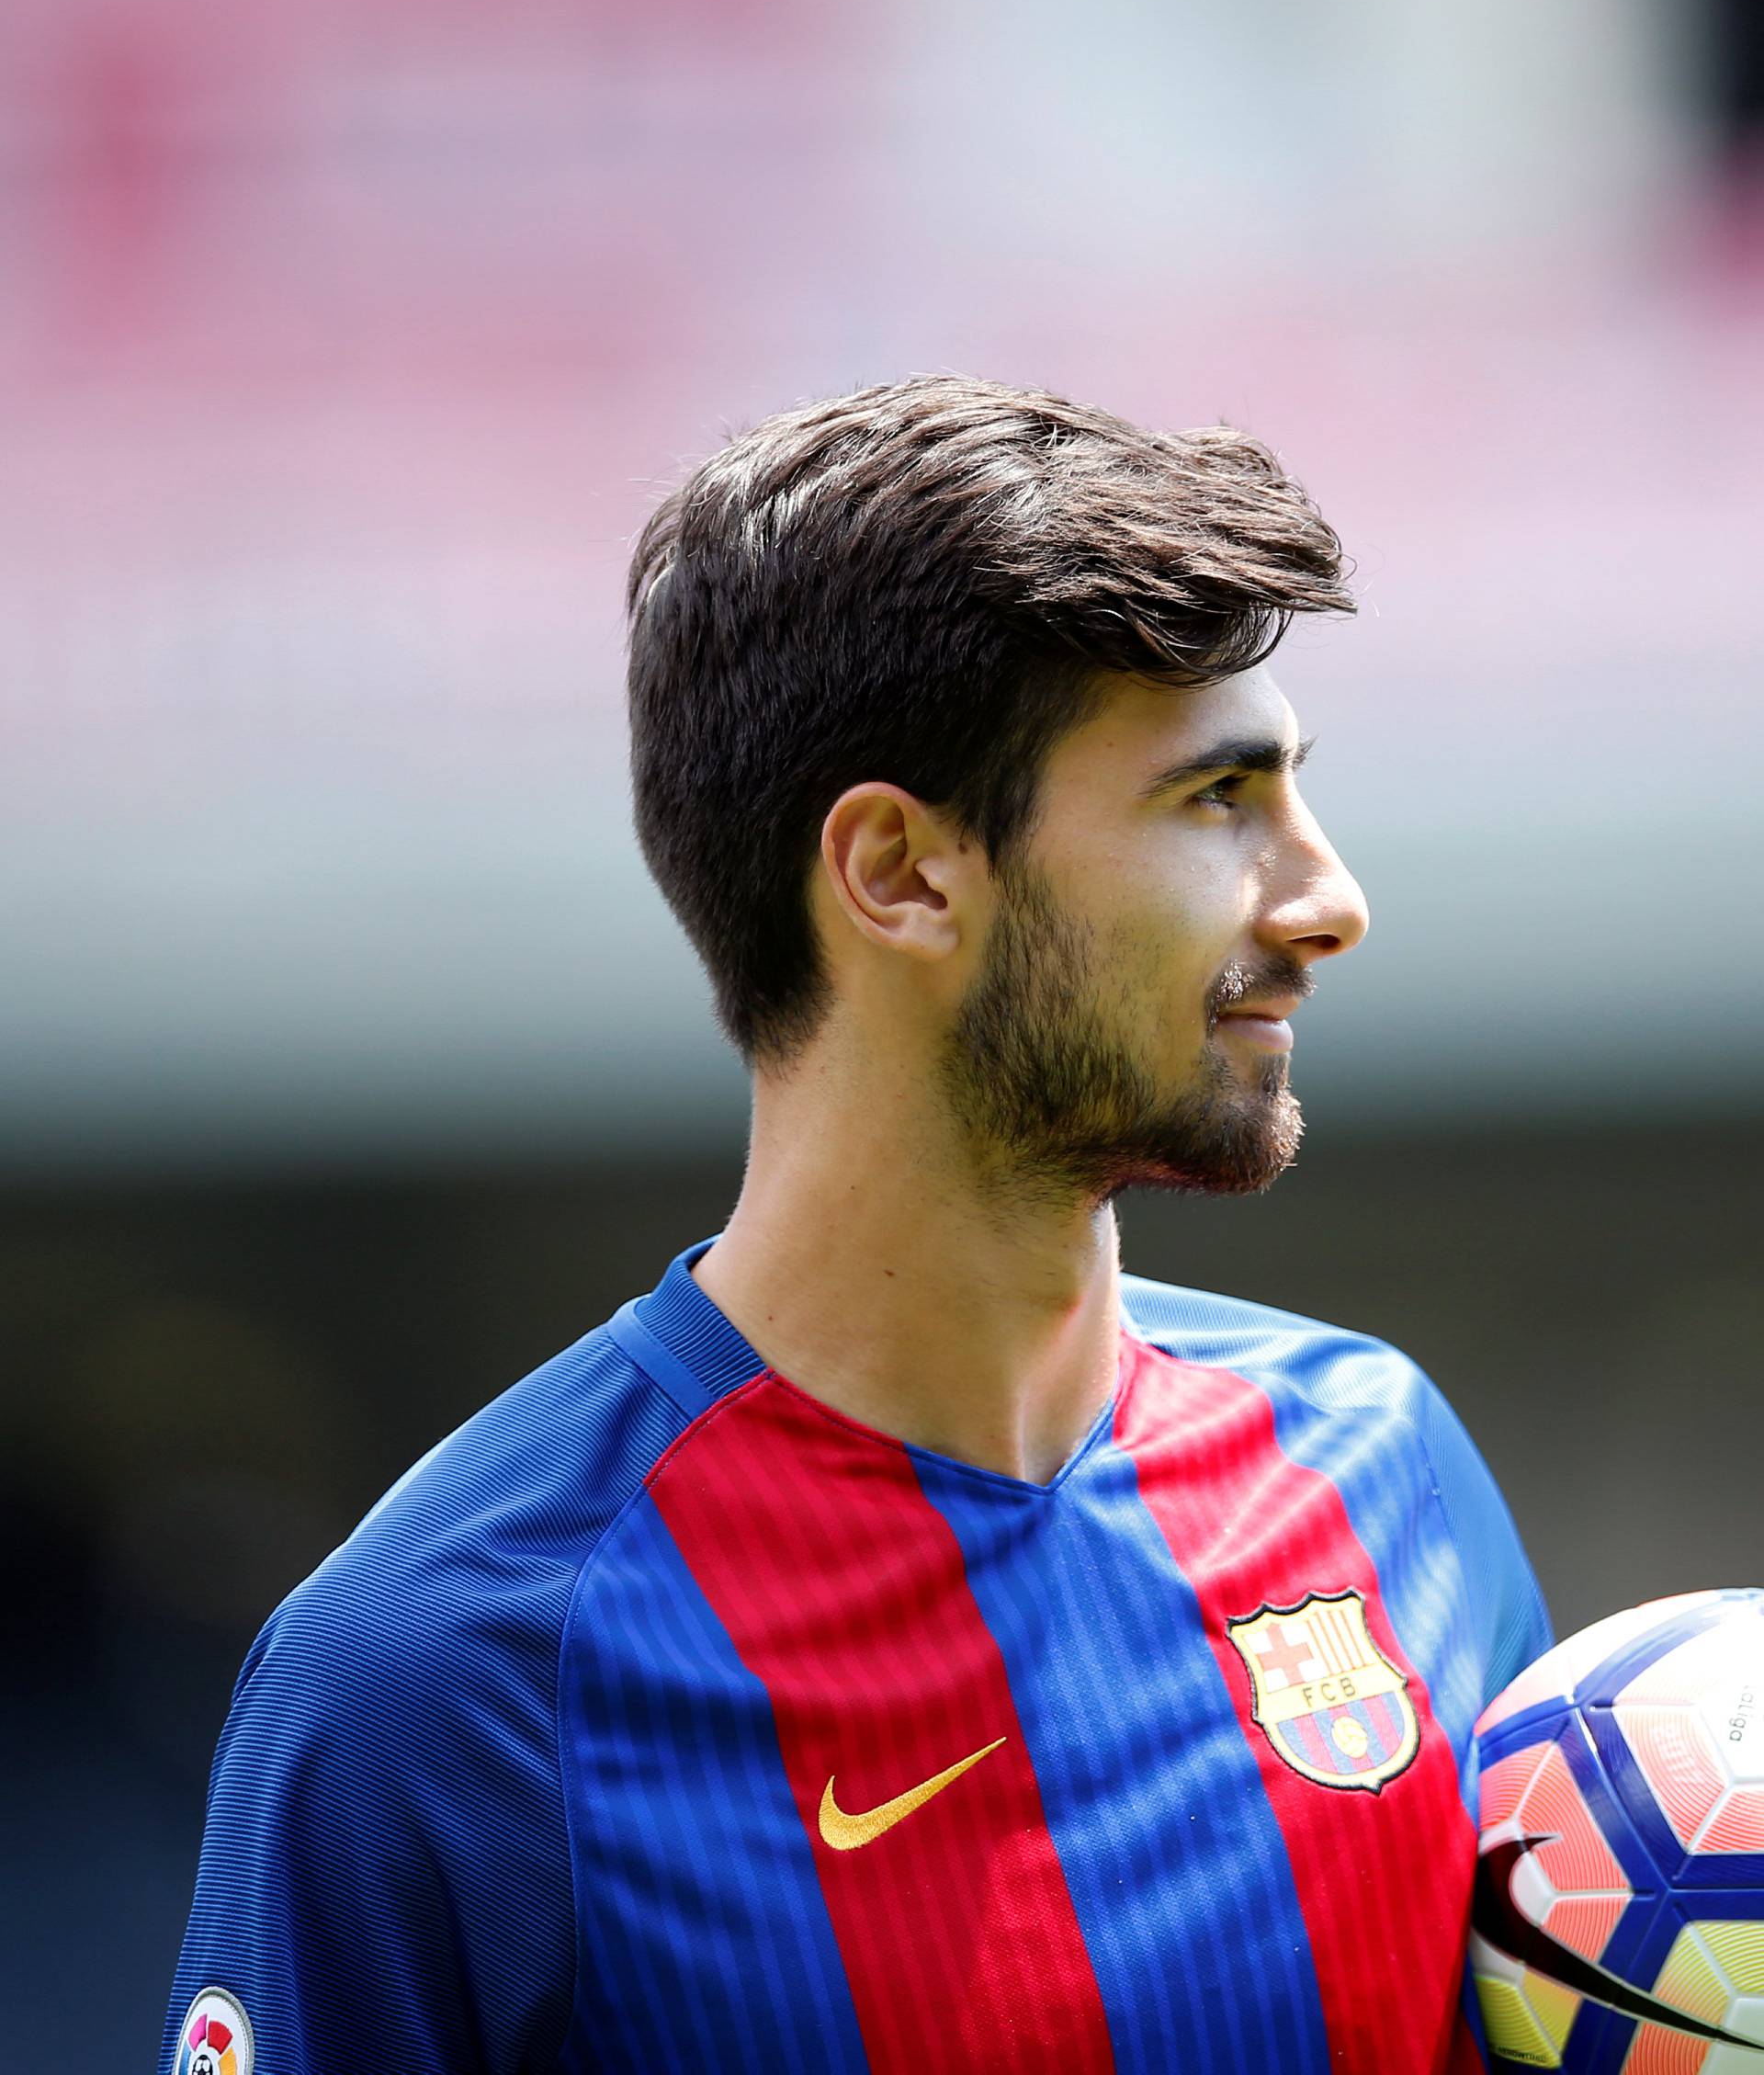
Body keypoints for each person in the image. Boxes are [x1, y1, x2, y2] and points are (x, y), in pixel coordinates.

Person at [161, 377, 1550, 2075]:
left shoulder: (1380, 1468)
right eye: (1216, 800)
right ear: (899, 872)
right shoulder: (438, 1683)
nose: (1328, 898)